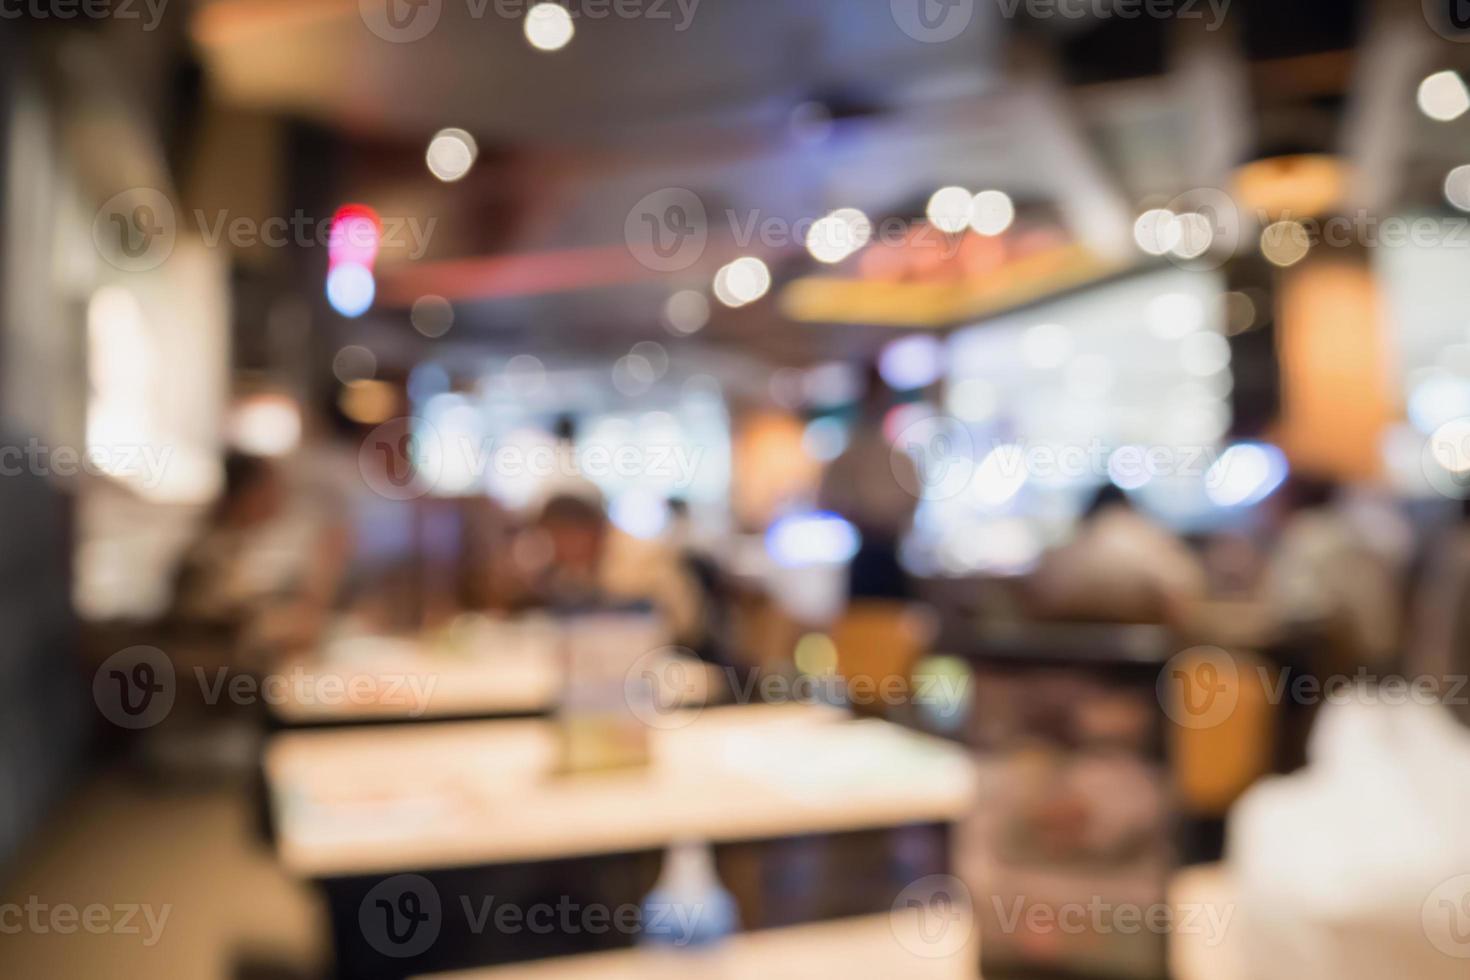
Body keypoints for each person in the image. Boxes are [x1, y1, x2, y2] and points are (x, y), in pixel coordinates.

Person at [1027, 485, 1207, 626]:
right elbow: (1185, 596)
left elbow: (1036, 597)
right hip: (1145, 659)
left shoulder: (1067, 549)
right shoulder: (1151, 540)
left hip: (1068, 658)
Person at [817, 365, 918, 599]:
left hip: (892, 553)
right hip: (864, 554)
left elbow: (911, 500)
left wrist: (886, 520)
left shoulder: (899, 458)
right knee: (864, 623)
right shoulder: (849, 456)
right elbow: (827, 499)